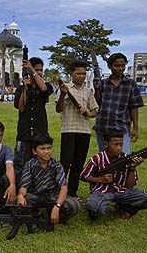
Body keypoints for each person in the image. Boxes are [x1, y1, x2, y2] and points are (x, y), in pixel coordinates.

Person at [80, 130, 147, 220]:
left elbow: (130, 185)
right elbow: (83, 176)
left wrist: (132, 168)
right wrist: (100, 180)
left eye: (121, 144)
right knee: (94, 208)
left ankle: (123, 207)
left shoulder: (127, 158)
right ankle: (98, 206)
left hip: (122, 191)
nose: (119, 148)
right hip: (102, 191)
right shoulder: (97, 158)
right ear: (106, 144)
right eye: (115, 144)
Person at [55, 60, 98, 202]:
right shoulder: (65, 88)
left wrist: (88, 113)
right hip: (68, 129)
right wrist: (63, 94)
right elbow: (58, 109)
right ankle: (60, 191)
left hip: (84, 131)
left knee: (78, 164)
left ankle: (73, 193)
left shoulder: (88, 91)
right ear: (71, 73)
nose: (81, 76)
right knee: (65, 162)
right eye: (78, 73)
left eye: (84, 74)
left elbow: (94, 112)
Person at [16, 134, 80, 225]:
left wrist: (57, 206)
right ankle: (34, 217)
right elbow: (24, 187)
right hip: (35, 196)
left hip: (53, 196)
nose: (47, 152)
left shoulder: (56, 165)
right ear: (34, 151)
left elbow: (64, 188)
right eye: (42, 149)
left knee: (74, 206)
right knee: (18, 202)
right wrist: (21, 196)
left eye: (49, 148)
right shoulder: (29, 165)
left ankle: (54, 216)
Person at [13, 57, 53, 186]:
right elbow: (21, 107)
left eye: (41, 70)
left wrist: (32, 70)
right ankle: (20, 190)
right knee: (20, 164)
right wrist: (25, 88)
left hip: (40, 132)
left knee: (40, 163)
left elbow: (44, 89)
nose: (39, 72)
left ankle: (37, 188)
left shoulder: (46, 86)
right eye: (37, 69)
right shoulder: (20, 88)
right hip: (24, 131)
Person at [93, 53, 144, 153]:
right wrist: (97, 89)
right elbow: (98, 103)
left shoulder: (130, 84)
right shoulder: (103, 83)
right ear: (109, 66)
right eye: (117, 66)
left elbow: (134, 107)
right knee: (105, 159)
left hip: (122, 128)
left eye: (123, 65)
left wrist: (135, 128)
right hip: (103, 127)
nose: (120, 68)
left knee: (123, 159)